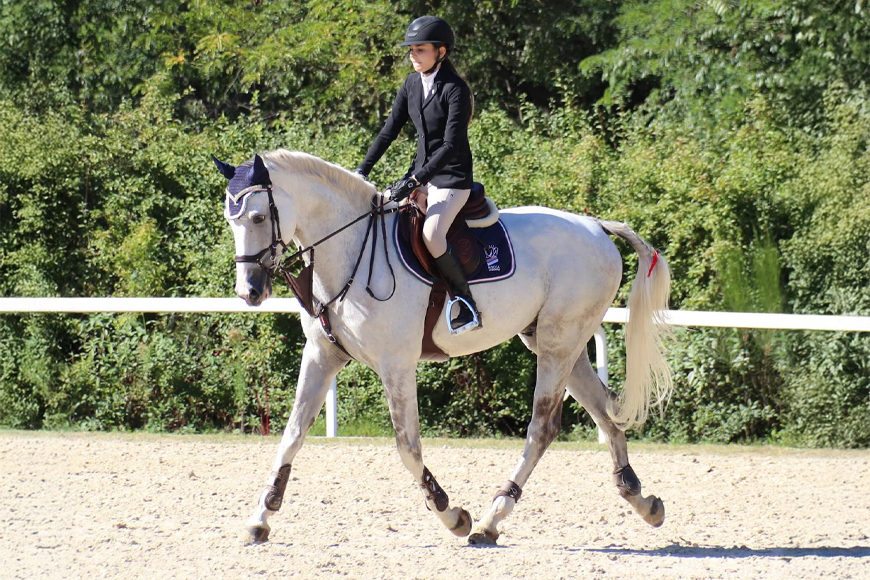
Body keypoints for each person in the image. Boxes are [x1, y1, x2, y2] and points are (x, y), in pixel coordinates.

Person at [355, 15, 481, 335]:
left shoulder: (455, 90)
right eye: (411, 49)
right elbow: (388, 132)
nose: (413, 55)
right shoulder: (412, 84)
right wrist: (360, 171)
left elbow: (451, 145)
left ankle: (465, 304)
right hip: (421, 175)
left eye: (420, 50)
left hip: (451, 178)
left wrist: (414, 181)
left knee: (431, 235)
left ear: (441, 52)